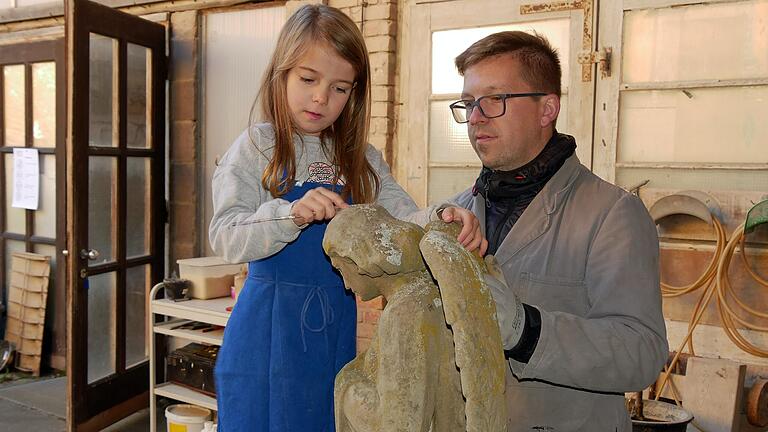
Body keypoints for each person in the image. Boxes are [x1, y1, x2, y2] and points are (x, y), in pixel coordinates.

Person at [208, 5, 484, 432]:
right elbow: (225, 235)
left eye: (339, 88)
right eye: (307, 79)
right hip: (264, 335)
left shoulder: (361, 159)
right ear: (280, 73)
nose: (321, 97)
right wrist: (290, 214)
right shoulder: (256, 147)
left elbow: (406, 217)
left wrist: (443, 214)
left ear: (354, 93)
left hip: (333, 329)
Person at [445, 31, 669, 431]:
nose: (475, 117)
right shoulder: (458, 211)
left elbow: (641, 353)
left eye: (495, 99)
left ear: (547, 109)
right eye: (468, 103)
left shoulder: (612, 215)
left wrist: (524, 330)